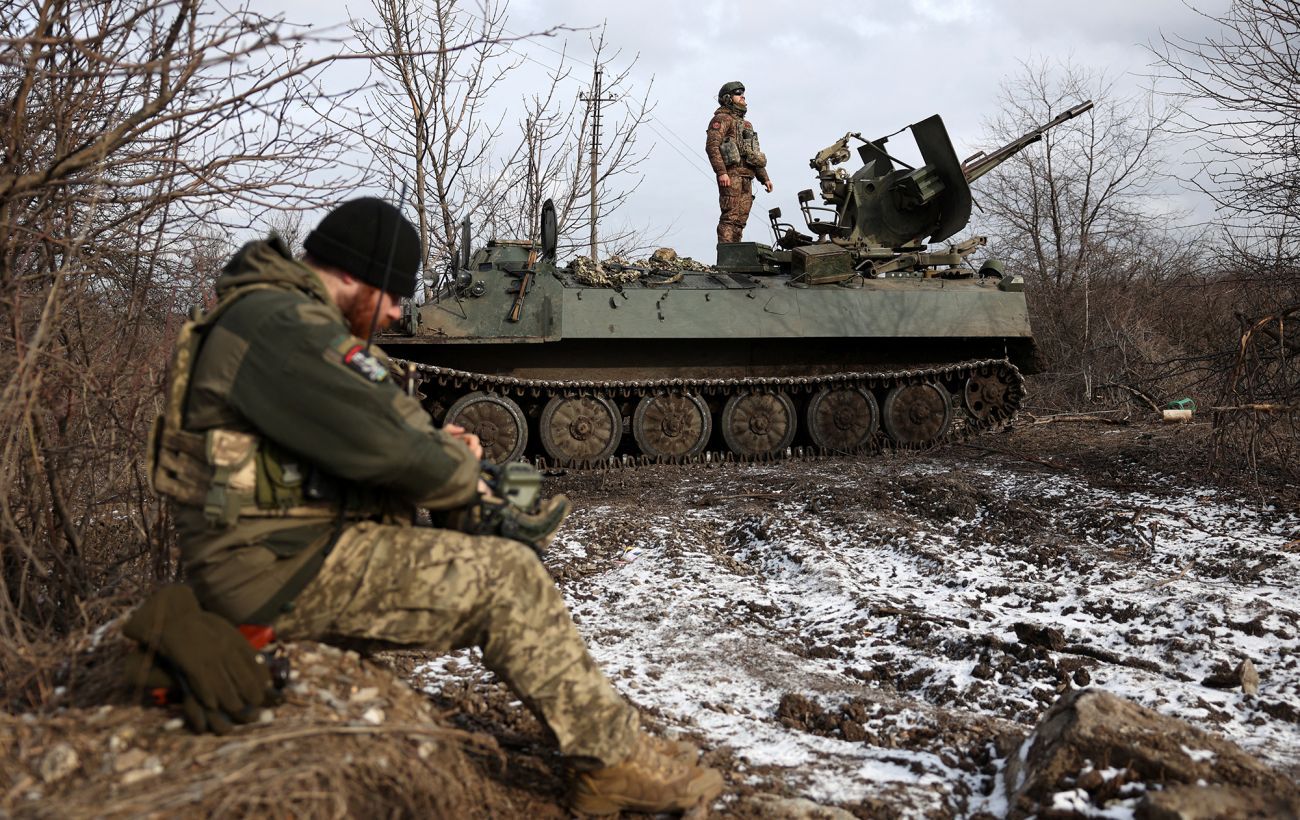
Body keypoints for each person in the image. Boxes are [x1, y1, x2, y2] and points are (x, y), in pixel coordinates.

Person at [140, 197, 723, 815]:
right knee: (508, 578)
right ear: (353, 273)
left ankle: (610, 746)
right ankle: (612, 764)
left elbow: (363, 430)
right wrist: (460, 474)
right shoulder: (282, 326)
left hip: (278, 551)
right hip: (273, 569)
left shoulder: (271, 316)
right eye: (392, 294)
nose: (396, 312)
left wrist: (437, 451)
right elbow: (390, 447)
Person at [705, 81, 773, 243]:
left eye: (743, 94)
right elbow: (712, 146)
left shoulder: (746, 125)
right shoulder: (722, 119)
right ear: (727, 98)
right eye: (738, 93)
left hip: (747, 177)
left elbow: (753, 154)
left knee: (741, 220)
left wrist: (764, 178)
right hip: (732, 175)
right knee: (730, 217)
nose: (742, 96)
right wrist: (722, 172)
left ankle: (737, 254)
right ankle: (726, 255)